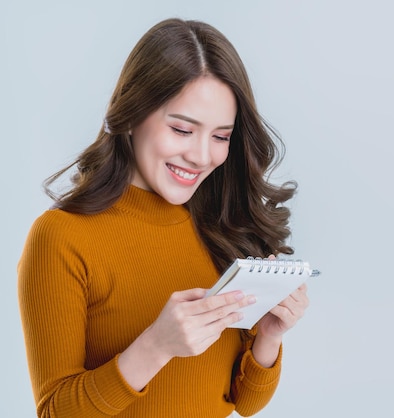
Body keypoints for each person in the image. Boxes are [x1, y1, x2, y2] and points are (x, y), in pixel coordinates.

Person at [17, 17, 309, 418]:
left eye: (221, 136)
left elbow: (245, 402)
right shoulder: (62, 237)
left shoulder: (224, 226)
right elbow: (55, 412)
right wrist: (156, 346)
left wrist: (270, 338)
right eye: (182, 129)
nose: (202, 156)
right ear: (133, 115)